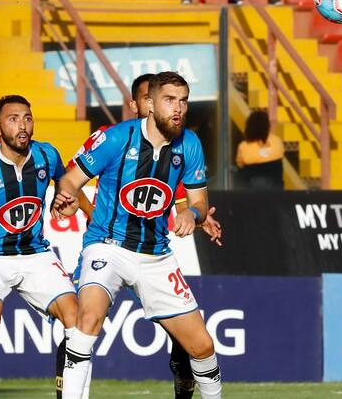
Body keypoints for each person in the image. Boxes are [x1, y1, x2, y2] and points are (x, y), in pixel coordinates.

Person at [53, 72, 224, 399]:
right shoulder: (116, 138)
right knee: (87, 321)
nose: (178, 108)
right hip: (107, 245)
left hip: (155, 255)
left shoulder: (189, 144)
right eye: (170, 100)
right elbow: (70, 179)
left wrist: (191, 213)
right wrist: (67, 196)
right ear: (149, 104)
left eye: (184, 100)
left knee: (202, 346)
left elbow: (200, 202)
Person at [0, 95, 77, 399]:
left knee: (77, 319)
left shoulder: (47, 155)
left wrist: (73, 205)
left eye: (27, 118)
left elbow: (68, 183)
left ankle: (70, 394)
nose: (22, 125)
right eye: (13, 118)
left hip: (36, 254)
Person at [234, 109, 285, 190]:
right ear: (267, 125)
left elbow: (240, 164)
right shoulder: (277, 141)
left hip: (250, 189)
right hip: (275, 187)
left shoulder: (243, 146)